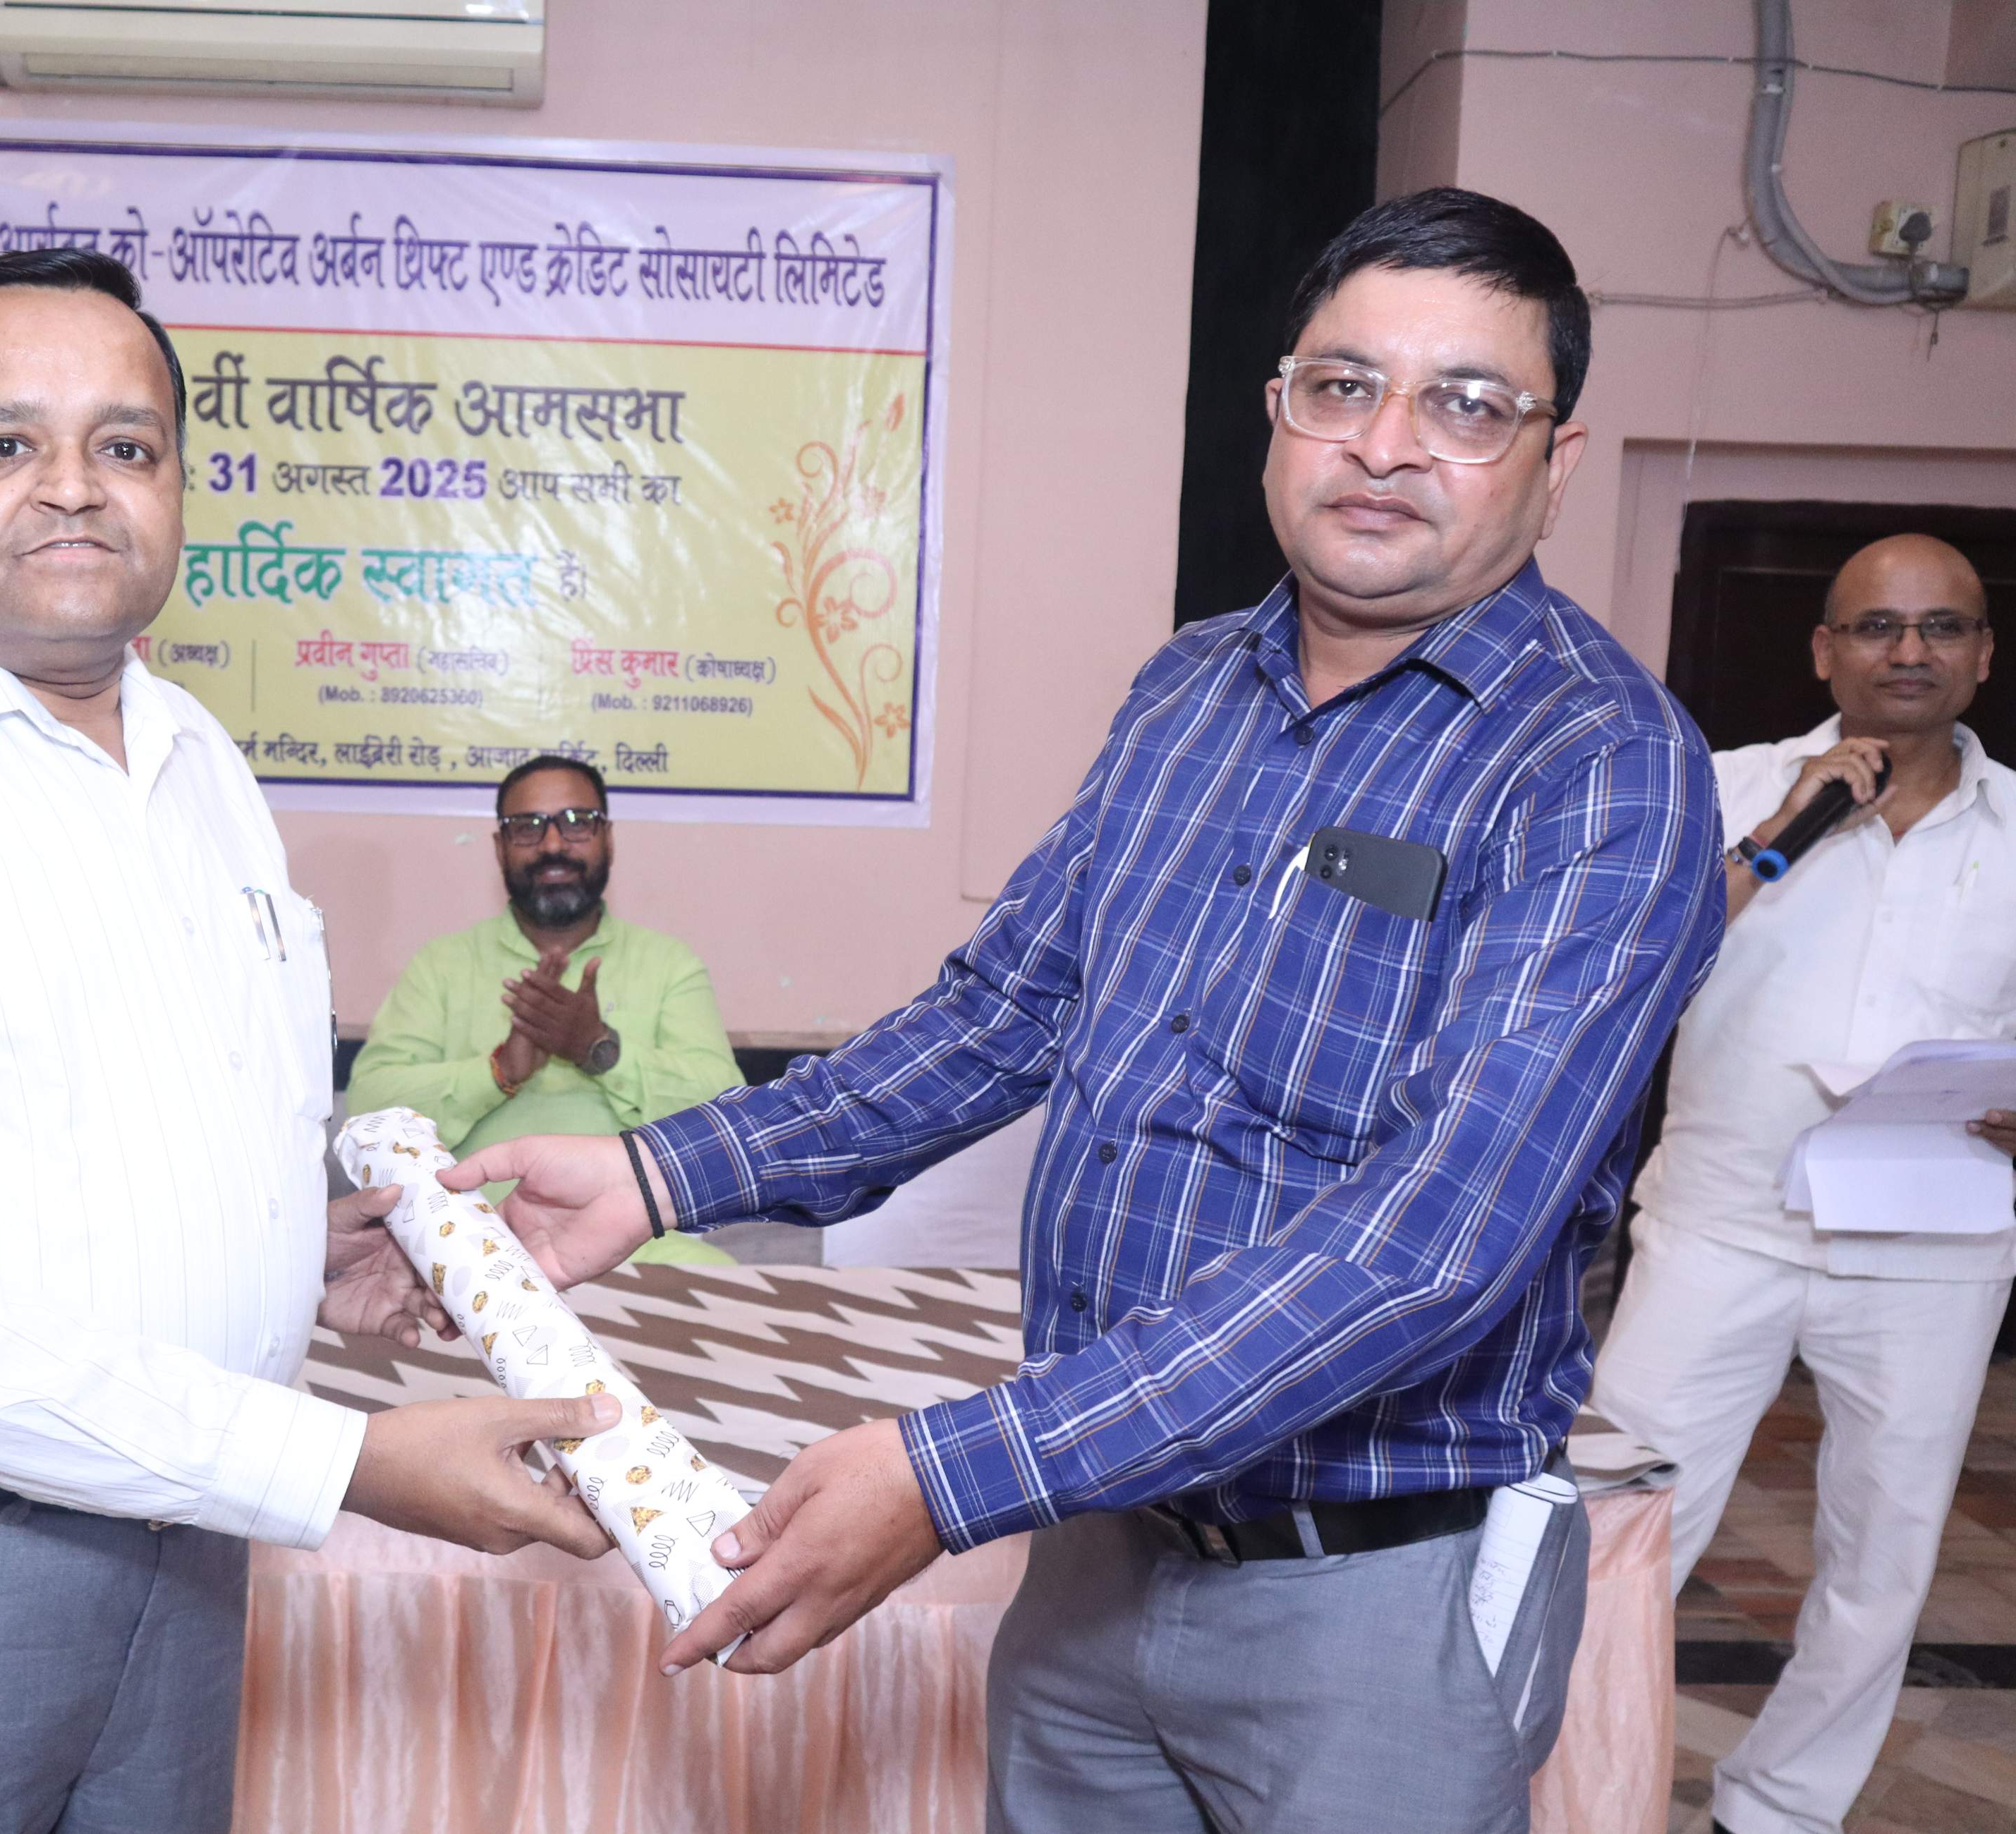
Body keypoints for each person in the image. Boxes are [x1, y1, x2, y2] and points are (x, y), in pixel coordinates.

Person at [455, 188, 1727, 1833]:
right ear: (1277, 412)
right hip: (1097, 1551)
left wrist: (952, 1474)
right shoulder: (1191, 689)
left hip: (1370, 1599)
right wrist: (656, 1173)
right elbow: (997, 1017)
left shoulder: (1601, 765)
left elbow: (1429, 1241)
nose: (1386, 443)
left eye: (1467, 405)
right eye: (1343, 386)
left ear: (1555, 463)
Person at [0, 247, 615, 1834]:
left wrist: (285, 1253)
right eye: (6, 441)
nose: (74, 486)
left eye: (126, 444)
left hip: (175, 1544)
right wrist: (342, 1465)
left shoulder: (197, 756)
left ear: (177, 486)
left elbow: (106, 1117)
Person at [1586, 533, 2010, 1834]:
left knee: (1882, 1562)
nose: (1910, 651)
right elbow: (1627, 966)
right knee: (1612, 1528)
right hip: (1722, 1225)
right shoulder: (1726, 790)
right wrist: (1779, 837)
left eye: (1942, 627)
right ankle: (1560, 1792)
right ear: (1825, 652)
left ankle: (1778, 1810)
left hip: (1934, 1246)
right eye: (1877, 627)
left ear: (1983, 656)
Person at [346, 753, 741, 1265]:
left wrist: (599, 1049)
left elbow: (727, 1120)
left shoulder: (669, 965)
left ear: (608, 838)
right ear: (500, 847)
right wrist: (498, 1072)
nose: (553, 844)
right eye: (527, 827)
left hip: (645, 1252)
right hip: (476, 1253)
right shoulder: (442, 966)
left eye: (577, 823)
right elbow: (368, 1112)